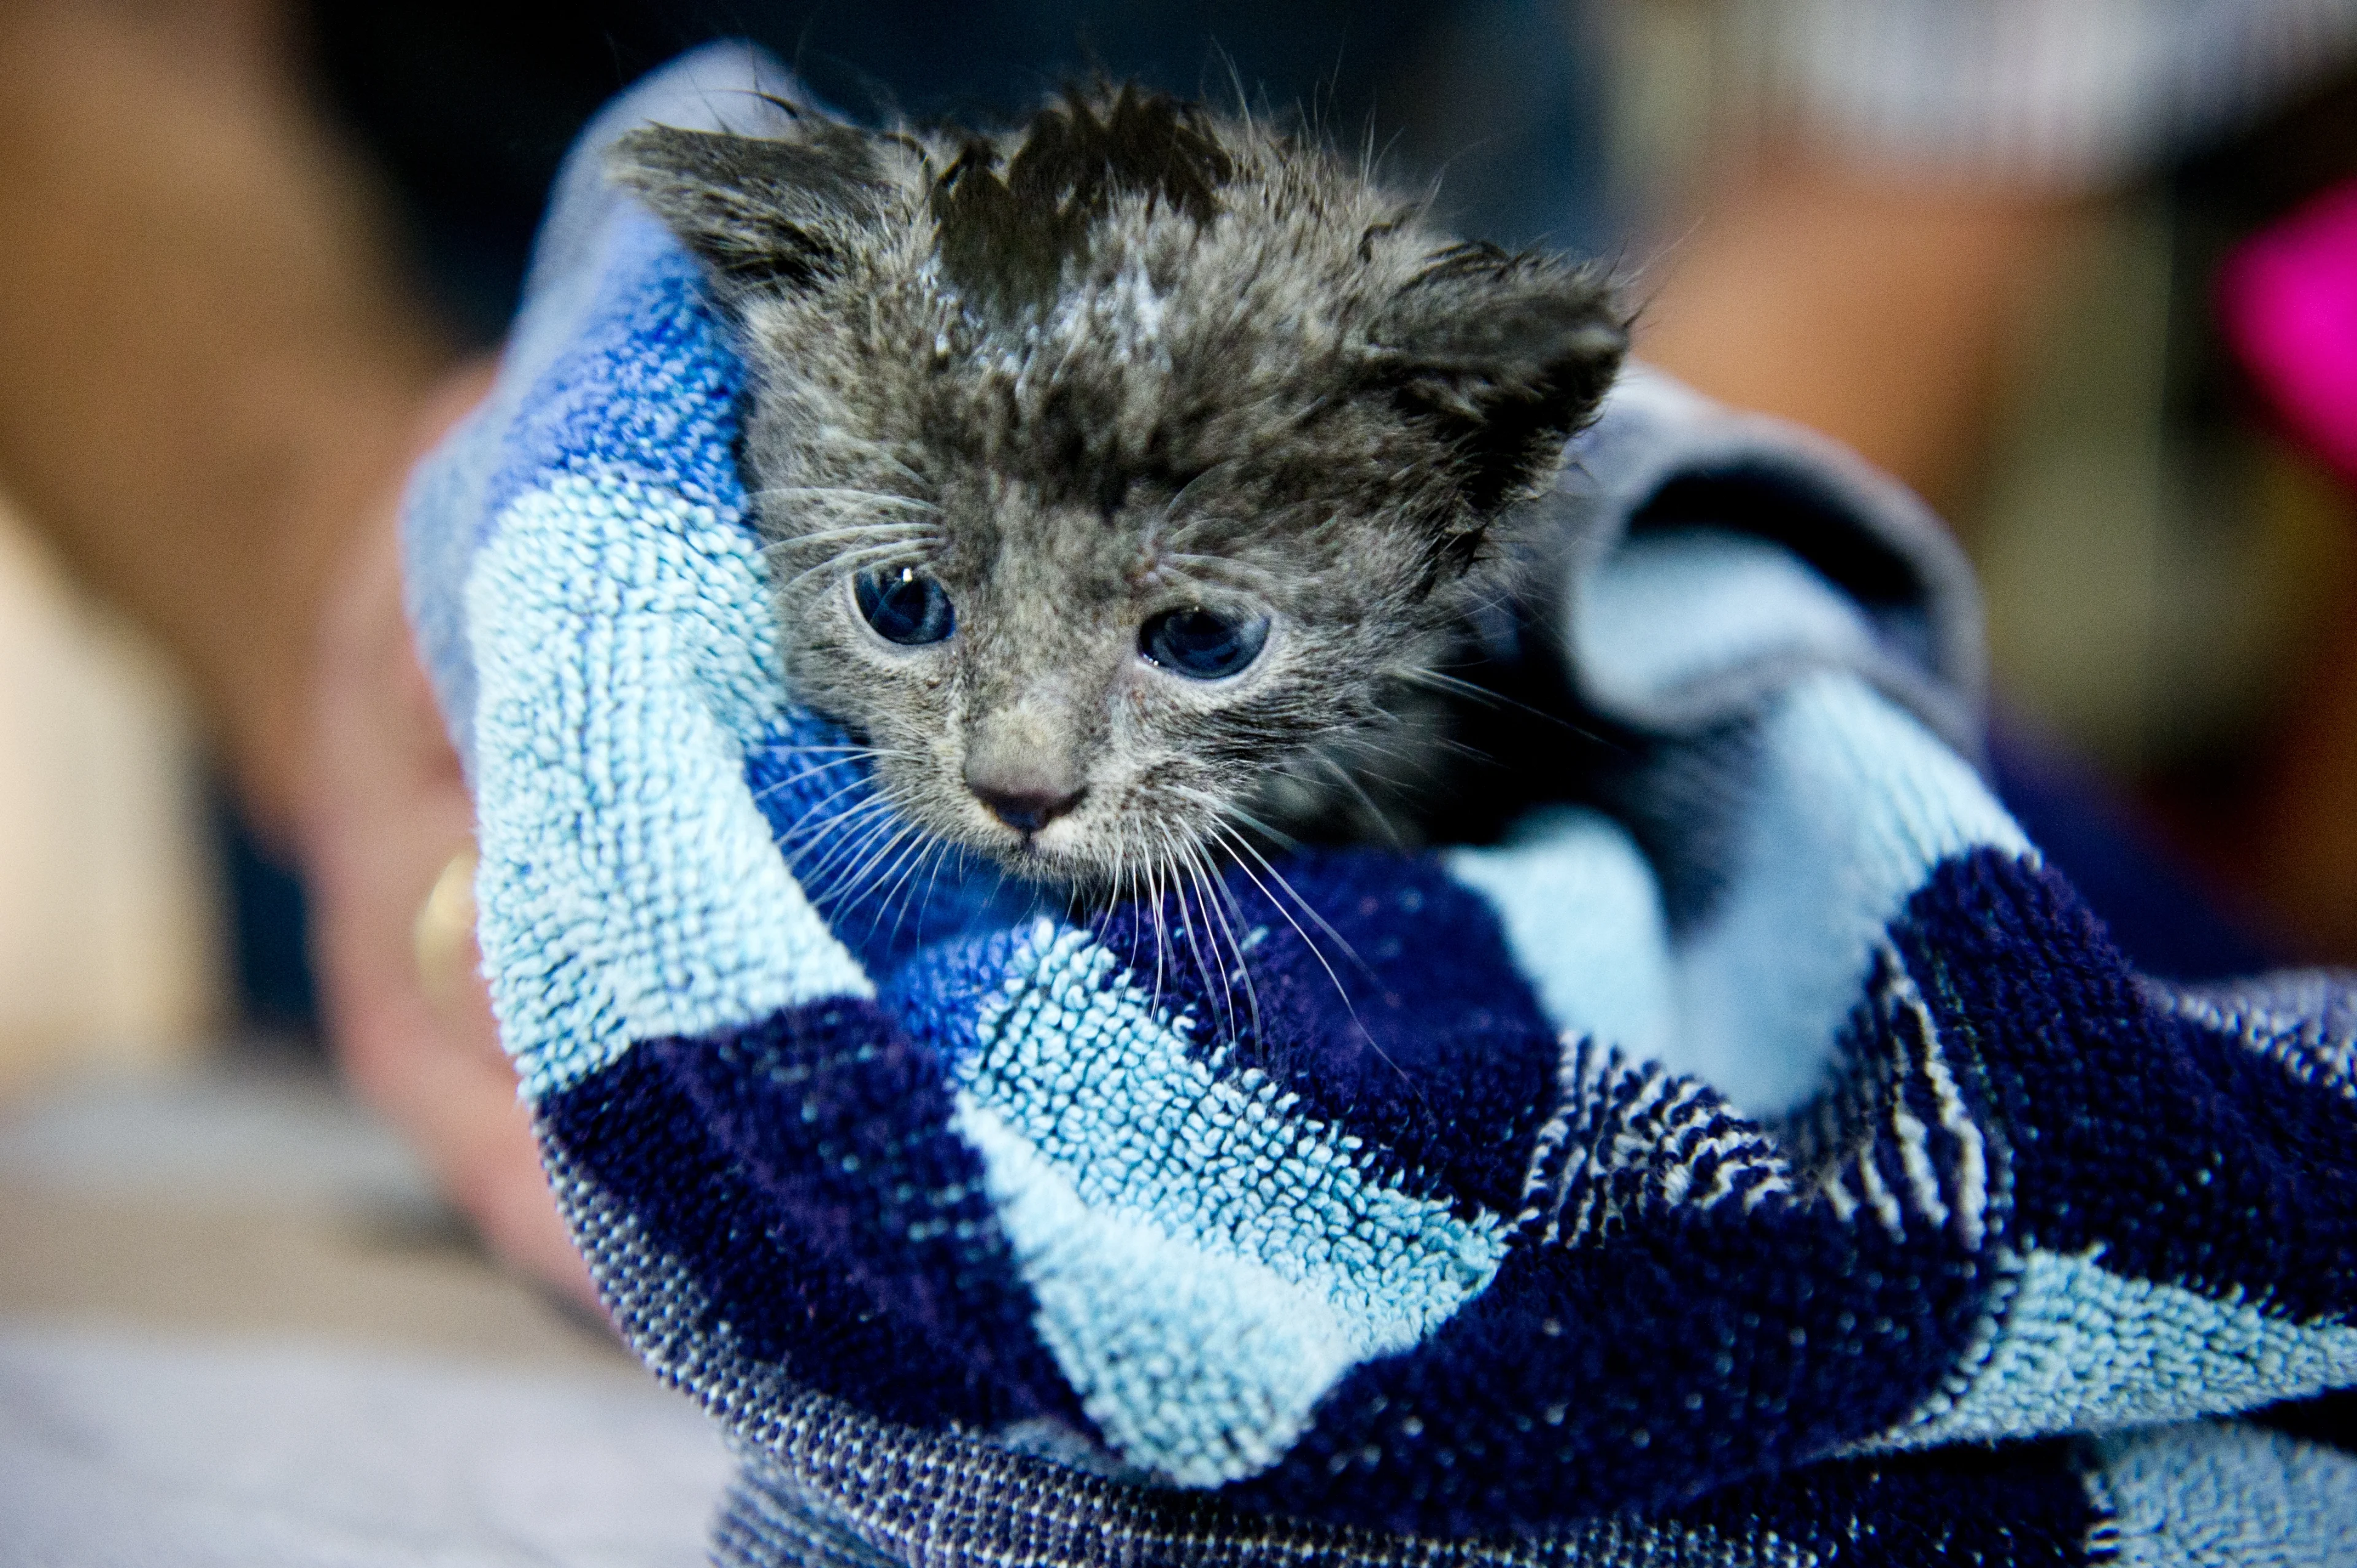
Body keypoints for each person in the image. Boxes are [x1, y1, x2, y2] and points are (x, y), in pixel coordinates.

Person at [2, 0, 2350, 1307]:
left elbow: (1939, 143)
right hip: (419, 668)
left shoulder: (1454, 525)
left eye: (1195, 641)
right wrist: (387, 587)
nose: (1021, 763)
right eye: (911, 612)